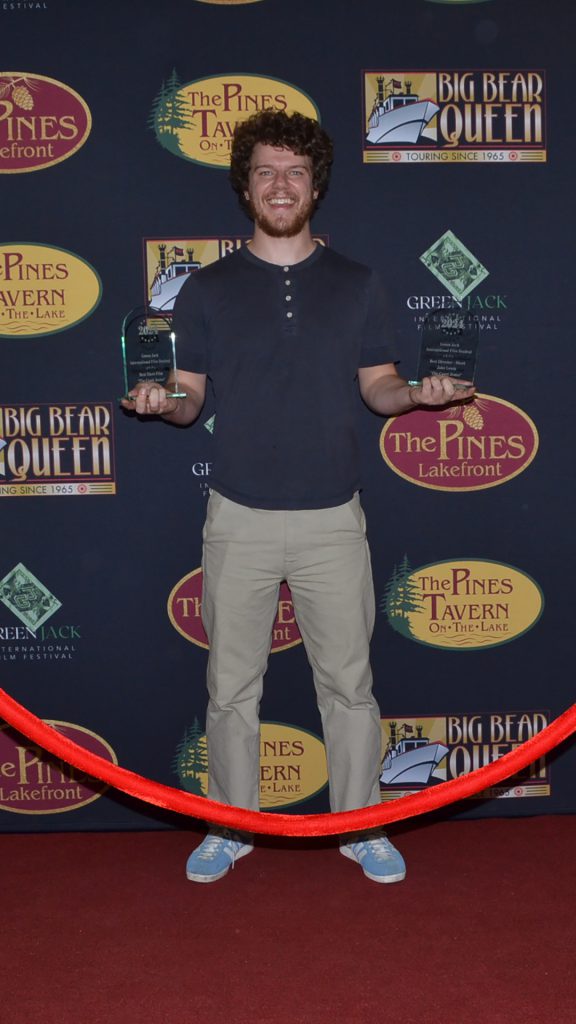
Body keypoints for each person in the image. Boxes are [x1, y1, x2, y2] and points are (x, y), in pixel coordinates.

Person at [122, 110, 475, 884]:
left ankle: (358, 825)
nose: (280, 185)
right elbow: (189, 400)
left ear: (315, 185)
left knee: (350, 686)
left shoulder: (358, 283)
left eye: (295, 172)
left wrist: (421, 394)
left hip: (333, 518)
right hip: (238, 515)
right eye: (265, 172)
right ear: (245, 188)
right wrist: (160, 404)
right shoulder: (207, 289)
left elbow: (379, 387)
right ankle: (231, 826)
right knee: (230, 687)